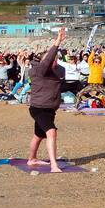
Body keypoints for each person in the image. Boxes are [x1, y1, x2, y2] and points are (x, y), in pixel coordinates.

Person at [27, 29, 72, 172]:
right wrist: (58, 41)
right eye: (52, 59)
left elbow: (60, 79)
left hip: (50, 109)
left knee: (38, 135)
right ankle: (54, 165)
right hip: (39, 108)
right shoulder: (39, 70)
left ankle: (32, 159)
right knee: (51, 132)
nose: (54, 60)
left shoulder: (57, 71)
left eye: (56, 59)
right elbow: (47, 60)